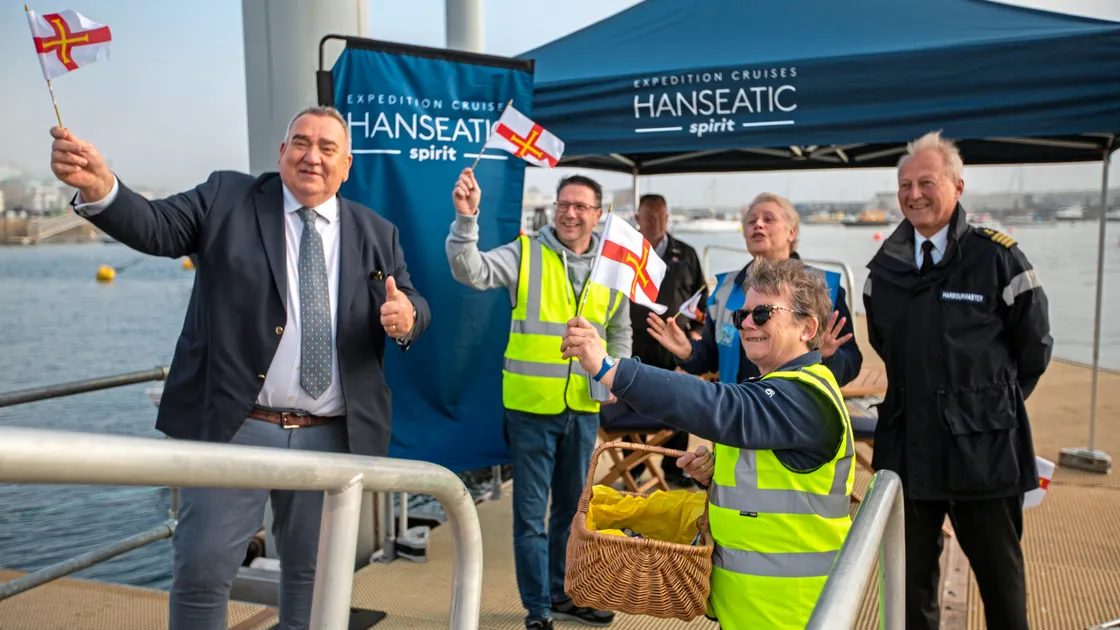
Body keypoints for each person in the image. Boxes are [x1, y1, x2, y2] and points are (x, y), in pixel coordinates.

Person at [49, 105, 430, 630]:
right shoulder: (226, 198)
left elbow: (411, 299)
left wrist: (407, 316)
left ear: (347, 165)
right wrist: (102, 188)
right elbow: (157, 228)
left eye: (327, 148)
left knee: (316, 581)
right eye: (301, 142)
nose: (312, 156)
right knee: (202, 573)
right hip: (235, 426)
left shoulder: (376, 231)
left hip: (331, 436)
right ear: (282, 152)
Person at [561, 257, 856, 630]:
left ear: (807, 327)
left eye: (762, 314)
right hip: (756, 611)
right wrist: (718, 477)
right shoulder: (784, 392)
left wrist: (609, 368)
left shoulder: (805, 397)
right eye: (741, 315)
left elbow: (713, 403)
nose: (746, 324)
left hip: (796, 614)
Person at [863, 131, 1052, 630]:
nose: (914, 194)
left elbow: (1034, 347)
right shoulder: (884, 271)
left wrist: (988, 405)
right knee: (909, 589)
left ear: (958, 186)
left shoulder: (997, 259)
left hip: (983, 450)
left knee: (1001, 584)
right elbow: (885, 343)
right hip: (907, 450)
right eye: (905, 185)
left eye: (927, 182)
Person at [446, 168, 630, 630]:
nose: (570, 213)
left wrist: (615, 376)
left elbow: (619, 330)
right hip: (530, 408)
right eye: (563, 204)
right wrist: (466, 220)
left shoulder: (613, 267)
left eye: (580, 206)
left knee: (572, 511)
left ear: (598, 214)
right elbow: (471, 270)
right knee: (530, 517)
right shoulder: (525, 252)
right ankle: (538, 609)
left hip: (583, 408)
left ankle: (564, 595)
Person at [647, 192, 862, 389]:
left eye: (768, 219)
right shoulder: (725, 291)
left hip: (797, 411)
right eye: (751, 221)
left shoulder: (823, 288)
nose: (758, 225)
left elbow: (851, 365)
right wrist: (688, 351)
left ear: (792, 232)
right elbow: (711, 358)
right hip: (738, 410)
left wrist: (828, 357)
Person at [608, 193, 707, 486]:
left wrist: (695, 334)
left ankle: (675, 471)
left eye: (661, 216)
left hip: (673, 348)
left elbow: (701, 297)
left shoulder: (685, 253)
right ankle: (634, 470)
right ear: (638, 218)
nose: (656, 221)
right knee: (632, 401)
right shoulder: (626, 252)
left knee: (678, 405)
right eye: (649, 216)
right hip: (635, 343)